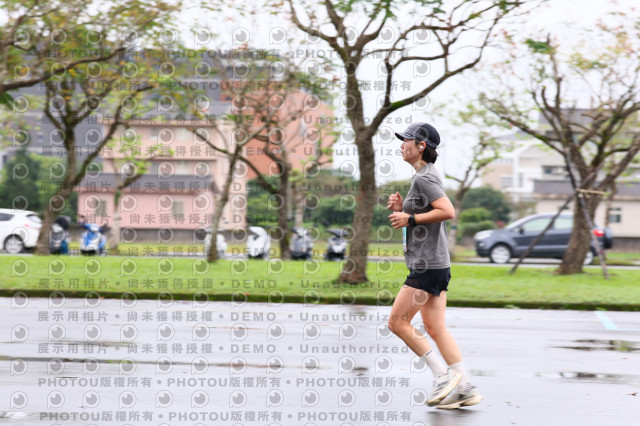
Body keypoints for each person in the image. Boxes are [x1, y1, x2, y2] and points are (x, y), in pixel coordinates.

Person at [386, 122, 483, 410]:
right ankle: (464, 387)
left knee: (397, 322)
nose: (402, 145)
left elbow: (447, 211)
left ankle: (442, 376)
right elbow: (426, 215)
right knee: (435, 327)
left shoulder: (425, 178)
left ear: (421, 146)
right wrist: (402, 211)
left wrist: (410, 218)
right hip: (436, 263)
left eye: (407, 140)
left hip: (427, 266)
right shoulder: (424, 175)